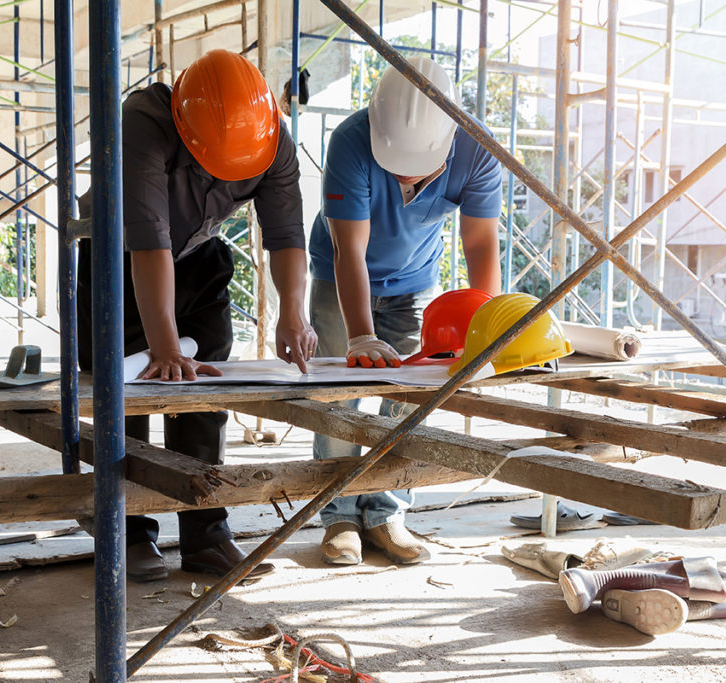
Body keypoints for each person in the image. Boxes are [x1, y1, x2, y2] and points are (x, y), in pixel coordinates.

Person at [76, 49, 317, 582]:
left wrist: (293, 315)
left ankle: (205, 533)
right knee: (128, 394)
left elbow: (285, 237)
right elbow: (147, 240)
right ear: (187, 128)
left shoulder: (271, 137)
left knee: (205, 392)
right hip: (118, 255)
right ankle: (128, 532)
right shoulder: (143, 120)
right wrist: (163, 346)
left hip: (197, 253)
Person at [308, 56, 503, 566]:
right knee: (338, 399)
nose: (408, 178)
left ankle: (387, 512)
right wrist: (359, 338)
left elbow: (480, 243)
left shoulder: (478, 149)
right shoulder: (352, 140)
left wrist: (486, 331)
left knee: (411, 399)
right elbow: (349, 249)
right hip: (339, 277)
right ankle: (340, 518)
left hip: (415, 281)